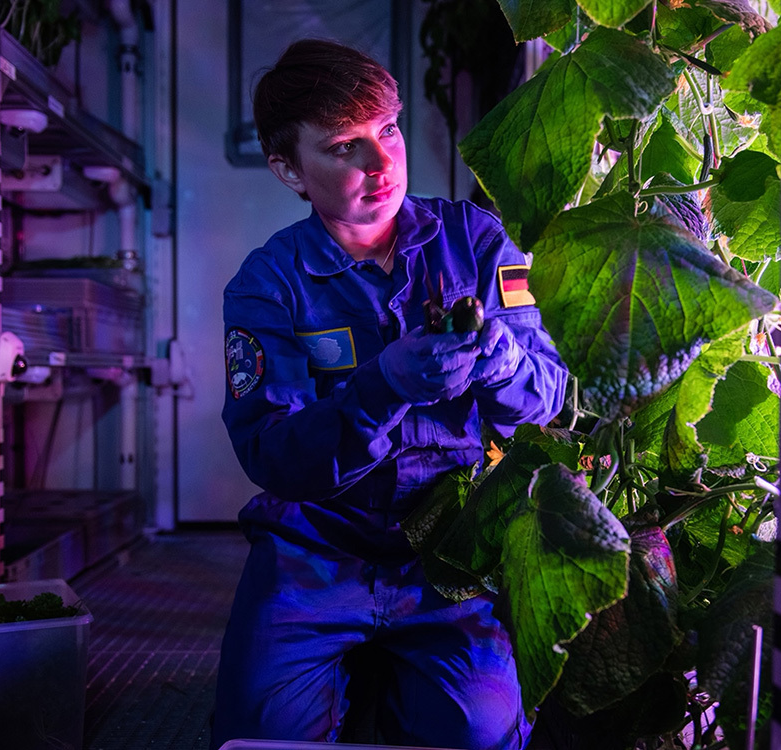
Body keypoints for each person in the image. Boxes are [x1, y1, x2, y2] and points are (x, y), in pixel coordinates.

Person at [211, 38, 569, 750]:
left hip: (451, 553)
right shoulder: (265, 285)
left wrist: (502, 367)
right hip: (314, 550)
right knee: (259, 737)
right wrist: (382, 388)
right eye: (344, 146)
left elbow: (549, 396)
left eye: (389, 130)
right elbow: (270, 454)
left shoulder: (482, 243)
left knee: (484, 732)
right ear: (289, 170)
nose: (381, 164)